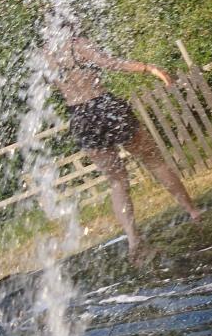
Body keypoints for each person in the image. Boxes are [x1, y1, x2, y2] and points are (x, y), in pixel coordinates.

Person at [46, 29, 201, 258]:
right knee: (154, 161)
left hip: (80, 116)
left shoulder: (45, 56)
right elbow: (110, 63)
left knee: (117, 181)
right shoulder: (77, 44)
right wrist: (148, 68)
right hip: (105, 107)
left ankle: (132, 237)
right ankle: (193, 211)